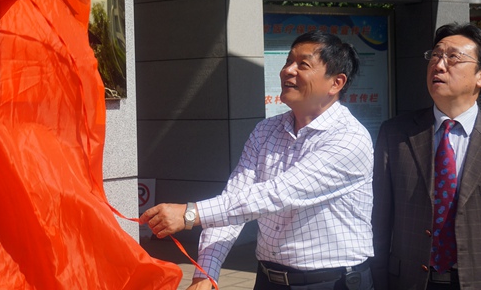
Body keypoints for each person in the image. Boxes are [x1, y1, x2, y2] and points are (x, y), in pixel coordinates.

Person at [140, 31, 375, 290]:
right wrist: (206, 272)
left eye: (303, 65)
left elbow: (276, 195)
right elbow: (235, 198)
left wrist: (190, 214)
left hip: (331, 282)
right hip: (268, 279)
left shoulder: (349, 138)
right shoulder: (266, 131)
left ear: (336, 83)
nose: (288, 71)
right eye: (288, 61)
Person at [371, 22, 481, 289]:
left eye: (453, 57)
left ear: (479, 76)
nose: (439, 65)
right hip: (410, 280)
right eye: (435, 56)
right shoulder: (396, 133)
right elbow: (379, 219)